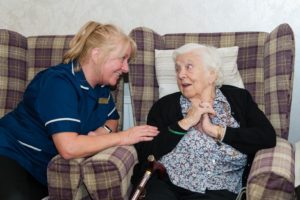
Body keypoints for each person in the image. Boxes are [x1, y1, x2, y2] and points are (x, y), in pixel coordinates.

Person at [0, 21, 159, 200]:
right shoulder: (58, 83)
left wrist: (100, 133)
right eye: (122, 59)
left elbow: (112, 119)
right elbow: (69, 147)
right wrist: (124, 137)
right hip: (11, 153)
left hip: (42, 169)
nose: (126, 68)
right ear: (96, 54)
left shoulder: (102, 88)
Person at [131, 43, 276, 200]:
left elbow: (267, 136)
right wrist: (184, 123)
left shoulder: (239, 99)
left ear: (212, 74)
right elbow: (146, 152)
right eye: (178, 69)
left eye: (189, 67)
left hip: (219, 188)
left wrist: (216, 131)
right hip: (165, 183)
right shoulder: (164, 106)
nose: (181, 74)